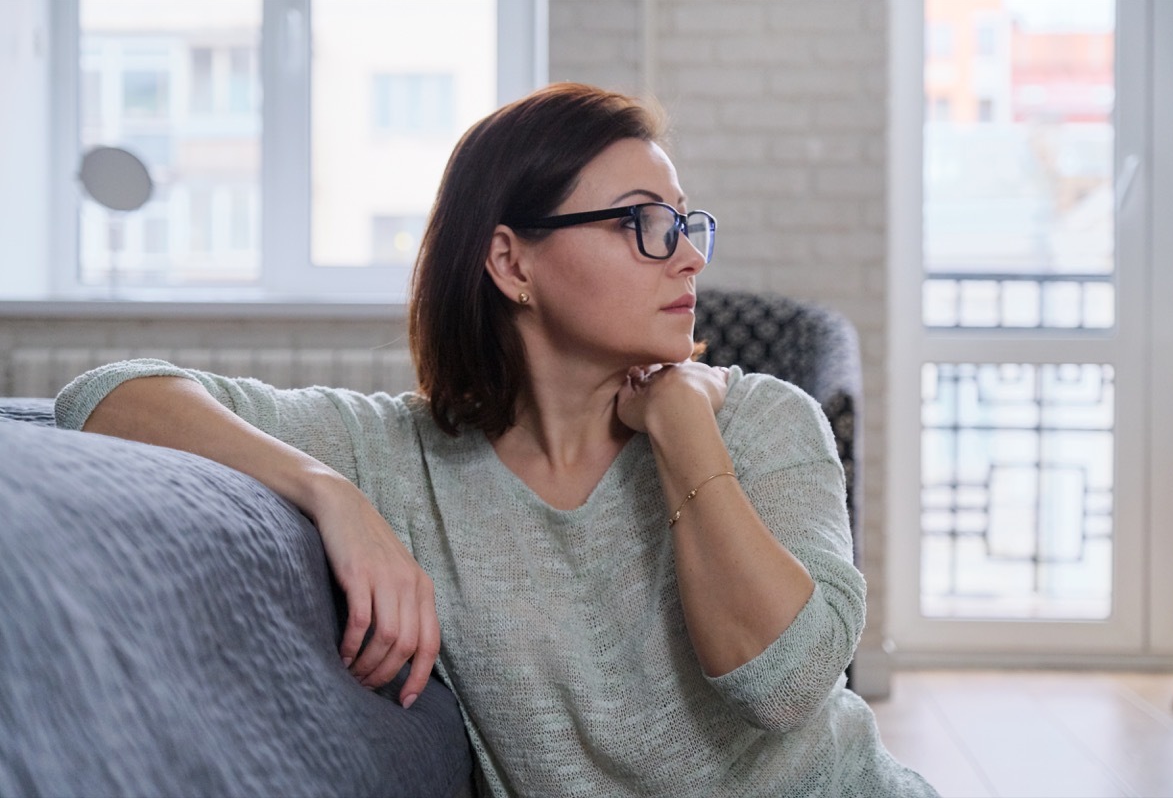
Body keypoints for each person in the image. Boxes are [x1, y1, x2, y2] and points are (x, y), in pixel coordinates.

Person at [56, 82, 938, 797]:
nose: (688, 256)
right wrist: (332, 493)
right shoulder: (406, 456)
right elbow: (105, 395)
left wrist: (680, 427)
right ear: (512, 263)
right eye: (643, 223)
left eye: (684, 221)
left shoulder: (764, 419)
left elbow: (782, 687)